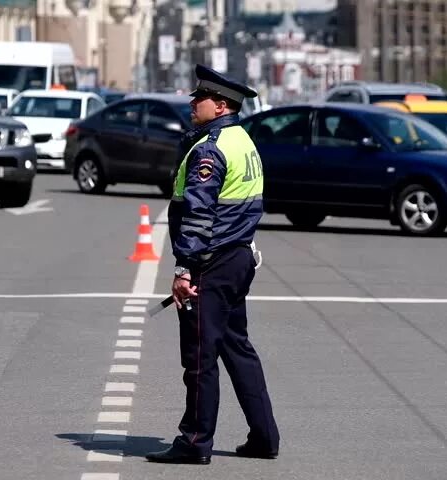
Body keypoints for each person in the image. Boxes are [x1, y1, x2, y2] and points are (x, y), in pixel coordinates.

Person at [145, 64, 280, 465]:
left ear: (220, 105)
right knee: (238, 349)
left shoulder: (210, 148)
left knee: (200, 357)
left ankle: (195, 442)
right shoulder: (243, 141)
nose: (192, 102)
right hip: (237, 257)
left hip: (211, 262)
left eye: (199, 97)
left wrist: (184, 269)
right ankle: (264, 437)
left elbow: (199, 216)